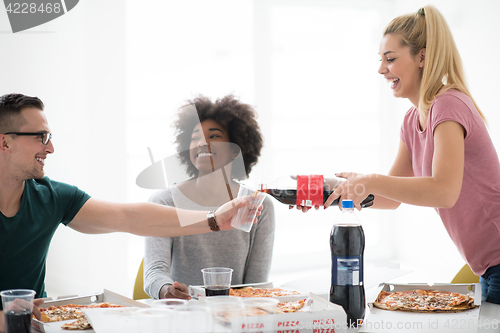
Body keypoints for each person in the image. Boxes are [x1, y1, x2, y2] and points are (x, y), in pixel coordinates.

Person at [0, 93, 261, 329]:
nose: (50, 148)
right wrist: (8, 319)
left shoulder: (51, 196)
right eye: (40, 137)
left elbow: (130, 217)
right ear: (5, 143)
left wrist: (214, 219)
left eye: (49, 138)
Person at [322, 6, 500, 303]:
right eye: (380, 60)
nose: (381, 69)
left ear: (422, 57)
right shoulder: (411, 119)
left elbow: (443, 191)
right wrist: (333, 192)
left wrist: (369, 180)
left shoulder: (448, 106)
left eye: (390, 59)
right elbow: (390, 198)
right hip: (485, 265)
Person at [144, 95, 275, 300]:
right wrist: (166, 290)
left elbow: (256, 285)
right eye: (195, 138)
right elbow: (154, 273)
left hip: (236, 318)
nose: (201, 143)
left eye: (213, 136)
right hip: (182, 316)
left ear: (235, 151)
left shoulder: (259, 205)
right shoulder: (164, 202)